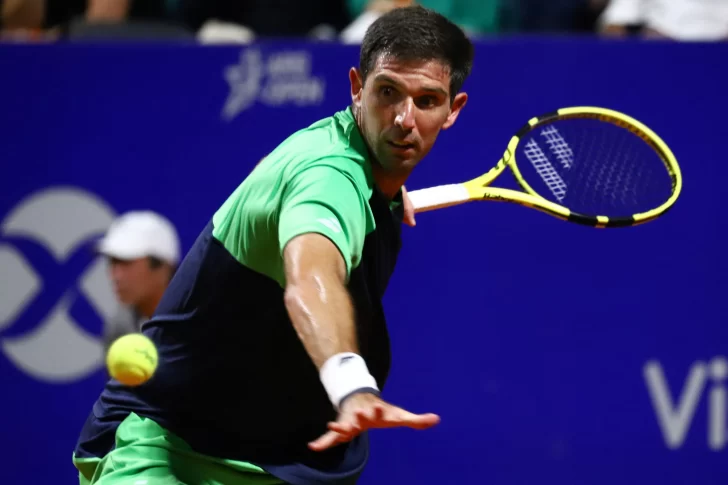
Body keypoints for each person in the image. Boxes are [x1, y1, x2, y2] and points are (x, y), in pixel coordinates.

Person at [72, 5, 473, 485]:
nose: (405, 119)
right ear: (356, 88)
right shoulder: (329, 177)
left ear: (453, 110)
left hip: (280, 466)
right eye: (388, 92)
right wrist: (350, 384)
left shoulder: (363, 173)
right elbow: (311, 279)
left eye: (427, 100)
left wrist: (381, 197)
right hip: (167, 450)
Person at [96, 210, 180, 352]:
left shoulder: (204, 323)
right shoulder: (118, 330)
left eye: (126, 262)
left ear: (161, 266)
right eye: (112, 262)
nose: (115, 275)